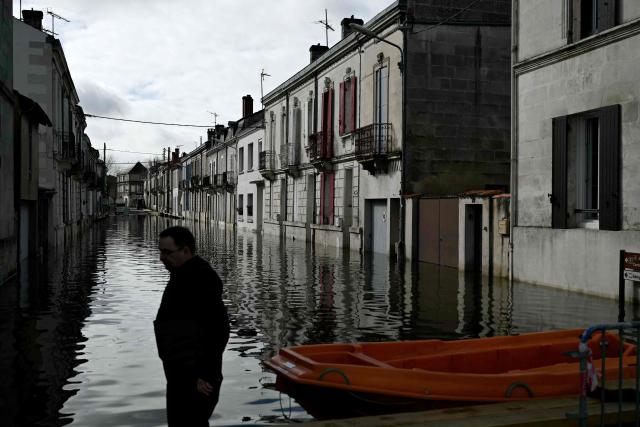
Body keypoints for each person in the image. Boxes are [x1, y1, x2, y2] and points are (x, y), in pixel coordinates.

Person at [154, 226, 230, 426]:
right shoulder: (182, 275)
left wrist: (201, 374)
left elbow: (218, 329)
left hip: (195, 380)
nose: (161, 257)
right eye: (160, 251)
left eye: (166, 252)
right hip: (183, 375)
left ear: (186, 251)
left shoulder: (201, 279)